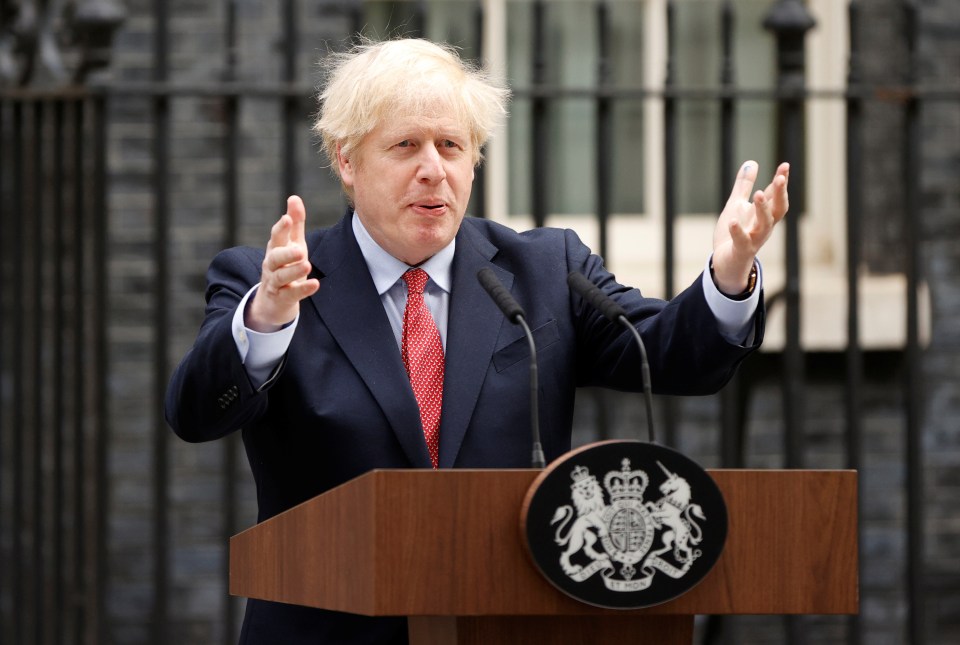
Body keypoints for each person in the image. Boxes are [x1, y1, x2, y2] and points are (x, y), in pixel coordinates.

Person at [165, 38, 789, 645]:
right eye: (405, 145)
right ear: (346, 160)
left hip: (512, 620)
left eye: (451, 146)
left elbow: (669, 352)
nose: (432, 168)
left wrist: (730, 273)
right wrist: (268, 319)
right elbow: (195, 413)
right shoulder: (271, 280)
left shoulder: (546, 270)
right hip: (329, 625)